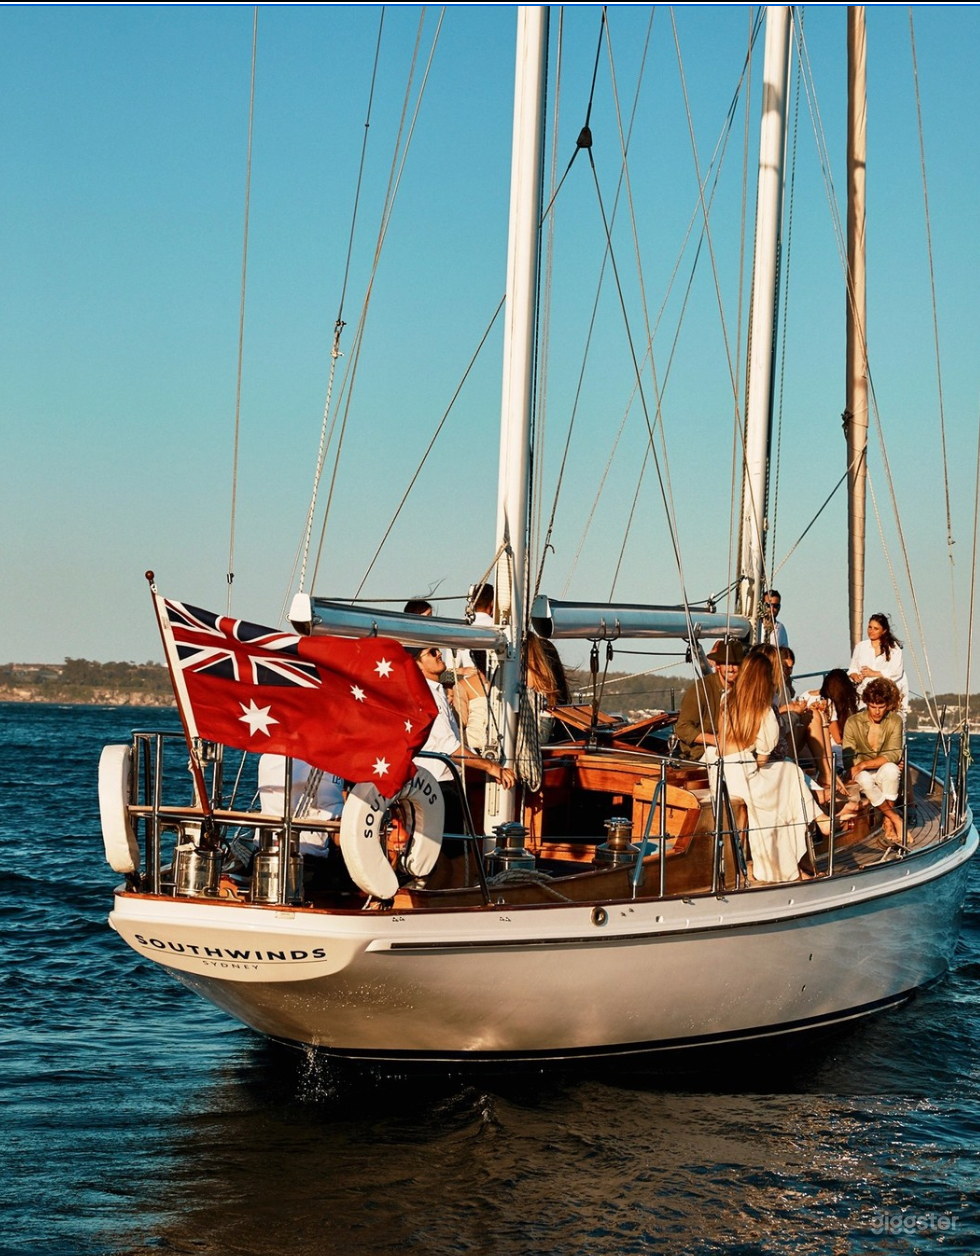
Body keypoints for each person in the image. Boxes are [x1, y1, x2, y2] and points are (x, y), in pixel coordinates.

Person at [713, 651, 828, 883]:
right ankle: (819, 820)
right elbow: (763, 757)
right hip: (745, 774)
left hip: (721, 771)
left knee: (784, 781)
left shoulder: (727, 700)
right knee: (789, 771)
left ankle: (812, 833)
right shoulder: (764, 711)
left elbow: (720, 740)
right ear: (765, 680)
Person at [413, 646, 515, 829]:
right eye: (432, 652)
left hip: (442, 784)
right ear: (418, 665)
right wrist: (491, 767)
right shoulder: (428, 696)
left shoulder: (437, 692)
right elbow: (449, 748)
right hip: (437, 787)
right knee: (452, 853)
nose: (439, 654)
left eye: (437, 650)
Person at [842, 677, 905, 846]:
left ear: (888, 705)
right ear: (867, 703)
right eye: (873, 706)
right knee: (864, 778)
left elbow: (893, 754)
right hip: (861, 774)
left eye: (881, 707)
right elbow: (849, 759)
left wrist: (864, 764)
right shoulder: (853, 722)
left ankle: (887, 822)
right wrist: (860, 767)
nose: (877, 711)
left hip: (879, 768)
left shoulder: (894, 721)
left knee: (892, 770)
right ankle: (894, 817)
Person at [673, 637, 744, 761]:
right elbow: (682, 728)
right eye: (727, 663)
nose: (731, 668)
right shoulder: (701, 689)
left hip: (736, 749)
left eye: (736, 664)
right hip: (701, 754)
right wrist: (714, 740)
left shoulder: (743, 691)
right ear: (717, 666)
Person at [849, 612, 908, 711]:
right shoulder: (861, 646)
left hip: (887, 693)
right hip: (864, 693)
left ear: (884, 631)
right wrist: (855, 676)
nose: (871, 631)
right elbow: (852, 669)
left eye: (875, 629)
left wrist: (874, 673)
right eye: (869, 627)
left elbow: (896, 672)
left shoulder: (893, 648)